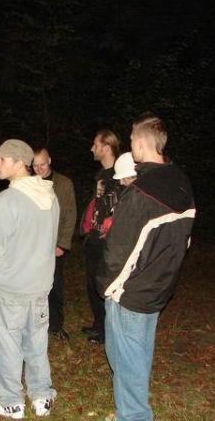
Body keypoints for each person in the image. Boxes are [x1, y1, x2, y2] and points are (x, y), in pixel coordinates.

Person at [98, 115, 195, 421]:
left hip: (132, 289)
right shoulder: (180, 180)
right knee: (133, 354)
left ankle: (134, 416)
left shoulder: (142, 191)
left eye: (131, 142)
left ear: (140, 143)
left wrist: (107, 286)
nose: (131, 148)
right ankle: (127, 411)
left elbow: (119, 247)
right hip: (159, 285)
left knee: (128, 359)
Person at [0, 139, 59, 419]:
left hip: (8, 289)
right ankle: (41, 396)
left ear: (18, 162)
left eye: (2, 159)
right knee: (36, 344)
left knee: (6, 345)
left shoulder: (5, 201)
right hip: (38, 287)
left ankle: (11, 401)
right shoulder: (50, 196)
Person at [79, 129, 120, 344]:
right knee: (92, 283)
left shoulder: (120, 175)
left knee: (105, 284)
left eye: (95, 144)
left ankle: (107, 331)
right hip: (94, 238)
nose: (92, 148)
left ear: (106, 146)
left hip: (108, 241)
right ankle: (99, 324)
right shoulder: (101, 175)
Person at [32, 147, 76, 341]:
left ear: (49, 160)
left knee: (55, 286)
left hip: (54, 245)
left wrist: (62, 244)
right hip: (33, 246)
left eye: (42, 164)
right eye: (35, 165)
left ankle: (56, 325)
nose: (39, 169)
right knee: (33, 287)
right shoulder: (28, 184)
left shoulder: (64, 184)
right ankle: (34, 323)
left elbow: (70, 214)